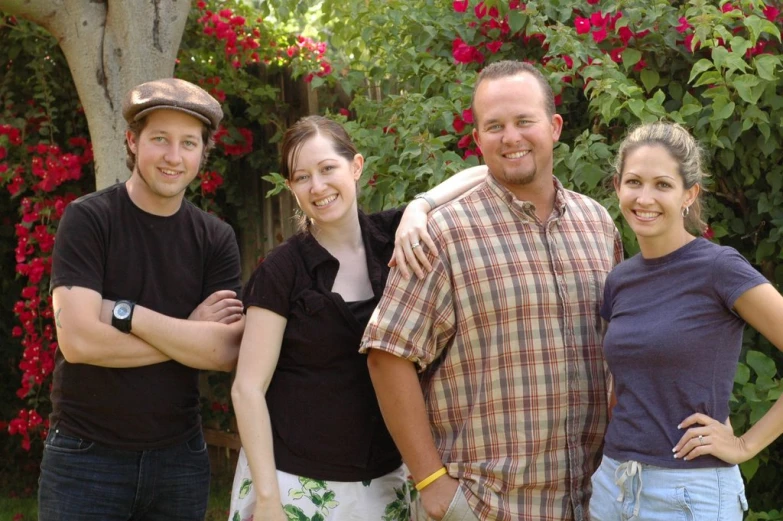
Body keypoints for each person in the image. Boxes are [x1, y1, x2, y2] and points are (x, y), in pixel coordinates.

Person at [361, 60, 622, 521]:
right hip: (486, 506)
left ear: (555, 126)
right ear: (478, 139)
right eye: (494, 126)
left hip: (592, 501)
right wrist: (431, 482)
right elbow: (388, 354)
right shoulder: (444, 234)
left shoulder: (598, 225)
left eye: (525, 121)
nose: (512, 137)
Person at [228, 115, 487, 521]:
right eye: (301, 177)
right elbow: (248, 389)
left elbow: (484, 172)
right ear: (291, 187)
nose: (317, 187)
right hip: (294, 485)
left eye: (328, 168)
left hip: (388, 481)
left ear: (356, 166)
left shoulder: (395, 237)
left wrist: (421, 206)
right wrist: (266, 500)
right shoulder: (281, 271)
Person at [41, 78, 245, 521]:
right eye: (160, 139)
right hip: (84, 457)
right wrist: (189, 332)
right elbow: (78, 342)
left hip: (179, 458)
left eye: (188, 143)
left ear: (202, 153)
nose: (174, 156)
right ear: (132, 142)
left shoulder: (215, 238)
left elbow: (226, 350)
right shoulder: (89, 220)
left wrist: (124, 313)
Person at [590, 121, 783, 520]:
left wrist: (745, 446)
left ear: (688, 195)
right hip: (613, 485)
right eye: (633, 182)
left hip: (688, 495)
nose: (645, 198)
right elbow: (624, 383)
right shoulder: (620, 279)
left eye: (662, 184)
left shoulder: (719, 268)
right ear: (617, 188)